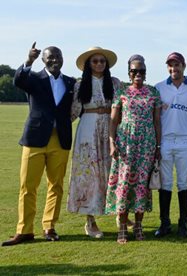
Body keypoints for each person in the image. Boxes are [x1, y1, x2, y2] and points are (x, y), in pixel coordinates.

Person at [2, 43, 76, 246]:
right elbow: (18, 80)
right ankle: (24, 231)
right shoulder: (33, 78)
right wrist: (28, 61)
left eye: (57, 56)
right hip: (34, 139)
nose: (54, 60)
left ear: (63, 58)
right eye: (49, 57)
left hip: (60, 140)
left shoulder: (71, 82)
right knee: (28, 187)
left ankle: (49, 227)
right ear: (43, 60)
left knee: (56, 186)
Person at [106, 54, 161, 244]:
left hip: (147, 143)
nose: (138, 74)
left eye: (141, 71)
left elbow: (157, 122)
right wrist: (112, 142)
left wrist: (158, 146)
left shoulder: (153, 92)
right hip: (125, 143)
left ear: (146, 73)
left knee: (141, 186)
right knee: (124, 184)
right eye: (134, 71)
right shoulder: (121, 91)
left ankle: (138, 226)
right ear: (129, 72)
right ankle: (122, 226)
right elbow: (113, 120)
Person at [67, 47, 120, 239]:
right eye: (95, 61)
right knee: (89, 173)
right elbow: (73, 111)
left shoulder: (114, 83)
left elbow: (121, 107)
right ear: (89, 64)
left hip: (110, 128)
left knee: (114, 170)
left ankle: (120, 213)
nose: (99, 64)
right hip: (88, 129)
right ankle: (90, 220)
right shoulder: (80, 84)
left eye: (102, 61)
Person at [154, 52, 187, 238]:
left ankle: (183, 224)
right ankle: (165, 223)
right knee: (165, 183)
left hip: (184, 140)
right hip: (165, 140)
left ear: (184, 65)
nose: (174, 68)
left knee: (183, 183)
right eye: (170, 65)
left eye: (177, 65)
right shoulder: (158, 88)